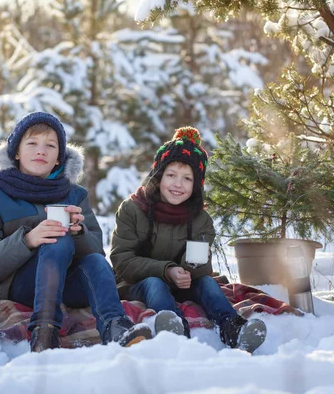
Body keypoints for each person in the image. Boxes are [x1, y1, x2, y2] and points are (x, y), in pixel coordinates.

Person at [0, 112, 152, 352]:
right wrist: (27, 240)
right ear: (15, 152)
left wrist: (79, 233)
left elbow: (96, 250)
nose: (41, 151)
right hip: (19, 285)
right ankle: (45, 330)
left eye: (50, 145)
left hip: (68, 285)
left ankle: (115, 327)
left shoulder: (76, 195)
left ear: (58, 158)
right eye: (32, 143)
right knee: (57, 239)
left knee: (94, 260)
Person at [110, 127, 267, 353]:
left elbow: (202, 267)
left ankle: (233, 328)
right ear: (158, 176)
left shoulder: (200, 219)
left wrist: (189, 269)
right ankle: (173, 327)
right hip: (139, 282)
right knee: (156, 283)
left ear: (196, 185)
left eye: (187, 178)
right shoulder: (133, 209)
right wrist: (166, 270)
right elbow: (122, 260)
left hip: (184, 282)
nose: (178, 184)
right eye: (171, 175)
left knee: (207, 283)